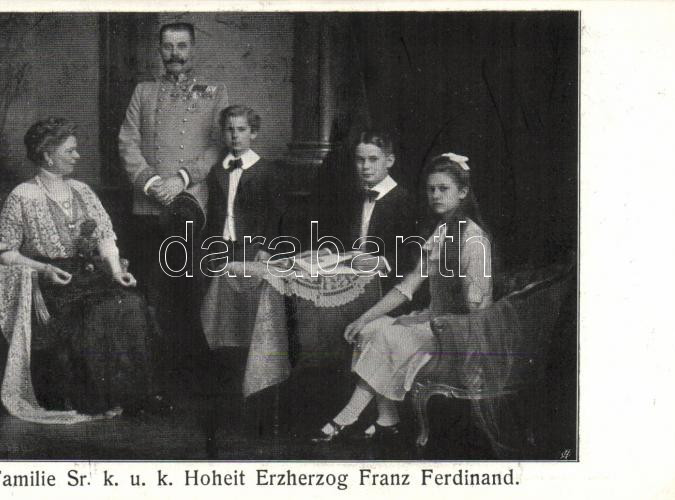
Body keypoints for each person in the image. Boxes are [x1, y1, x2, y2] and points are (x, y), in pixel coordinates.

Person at [310, 152, 493, 442]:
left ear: (462, 192)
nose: (435, 195)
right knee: (370, 330)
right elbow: (408, 285)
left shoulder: (473, 239)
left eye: (443, 189)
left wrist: (435, 322)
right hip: (435, 321)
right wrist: (363, 318)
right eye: (431, 189)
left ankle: (346, 416)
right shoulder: (442, 231)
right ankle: (388, 418)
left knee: (390, 336)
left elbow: (476, 307)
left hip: (461, 332)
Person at [0, 117, 163, 421]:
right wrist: (44, 269)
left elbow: (105, 236)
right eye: (69, 151)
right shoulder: (22, 195)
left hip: (88, 275)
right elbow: (4, 253)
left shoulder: (82, 190)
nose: (77, 156)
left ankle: (133, 396)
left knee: (130, 303)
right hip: (53, 284)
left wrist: (116, 271)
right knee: (97, 311)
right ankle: (93, 399)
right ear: (48, 155)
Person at [118, 21, 228, 378]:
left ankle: (190, 369)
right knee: (151, 287)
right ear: (159, 50)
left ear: (192, 49)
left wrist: (181, 179)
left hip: (191, 201)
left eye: (182, 46)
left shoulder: (215, 93)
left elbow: (216, 146)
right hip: (148, 203)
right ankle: (153, 371)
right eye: (168, 46)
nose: (175, 54)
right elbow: (127, 143)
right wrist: (152, 183)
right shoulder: (143, 91)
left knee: (186, 285)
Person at [205, 105, 284, 263]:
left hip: (252, 247)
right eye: (230, 130)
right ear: (223, 133)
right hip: (220, 247)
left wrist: (267, 248)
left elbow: (276, 214)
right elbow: (212, 212)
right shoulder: (216, 170)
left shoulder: (267, 170)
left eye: (241, 130)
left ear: (253, 133)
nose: (235, 135)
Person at [342, 130, 417, 287]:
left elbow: (413, 251)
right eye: (360, 160)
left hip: (390, 283)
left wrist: (381, 262)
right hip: (354, 279)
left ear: (389, 161)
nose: (365, 166)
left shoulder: (404, 199)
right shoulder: (355, 197)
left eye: (373, 159)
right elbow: (346, 241)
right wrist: (326, 253)